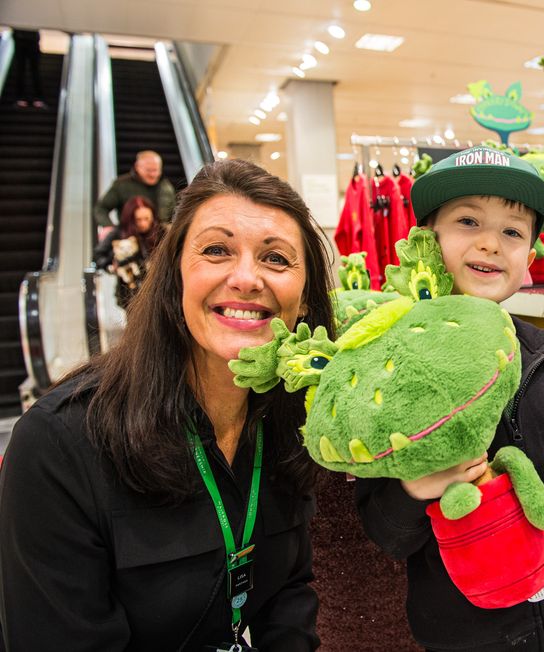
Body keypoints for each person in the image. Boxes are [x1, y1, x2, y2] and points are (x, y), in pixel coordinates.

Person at [0, 159, 334, 650]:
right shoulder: (60, 444)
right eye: (217, 250)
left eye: (277, 259)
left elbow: (288, 592)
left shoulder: (292, 421)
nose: (246, 278)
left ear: (304, 299)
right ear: (174, 275)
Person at [356, 145, 544, 652]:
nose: (491, 243)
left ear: (529, 261)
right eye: (468, 222)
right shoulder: (395, 368)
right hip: (464, 634)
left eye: (512, 232)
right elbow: (386, 532)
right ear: (426, 243)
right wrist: (413, 490)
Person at [93, 195, 165, 309]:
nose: (143, 224)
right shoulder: (119, 233)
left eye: (147, 218)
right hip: (131, 293)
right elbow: (98, 256)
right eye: (138, 220)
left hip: (160, 290)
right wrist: (112, 265)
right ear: (131, 219)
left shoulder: (161, 232)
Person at [94, 150, 177, 227]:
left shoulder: (166, 186)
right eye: (148, 170)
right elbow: (101, 209)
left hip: (160, 238)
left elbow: (174, 213)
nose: (153, 174)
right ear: (137, 167)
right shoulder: (122, 184)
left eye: (156, 170)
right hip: (131, 237)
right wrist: (109, 228)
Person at [10, 29, 45, 109]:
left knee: (30, 70)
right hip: (24, 39)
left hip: (27, 39)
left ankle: (35, 97)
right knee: (23, 70)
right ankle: (28, 97)